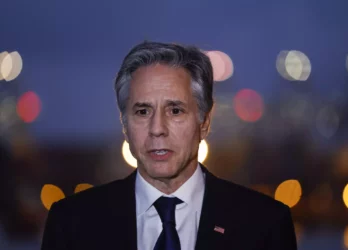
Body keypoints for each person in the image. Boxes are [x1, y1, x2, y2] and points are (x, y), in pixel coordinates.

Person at [41, 41, 297, 250]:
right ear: (124, 124)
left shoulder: (266, 225)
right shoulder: (71, 224)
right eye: (142, 111)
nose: (157, 128)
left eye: (175, 110)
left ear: (204, 122)